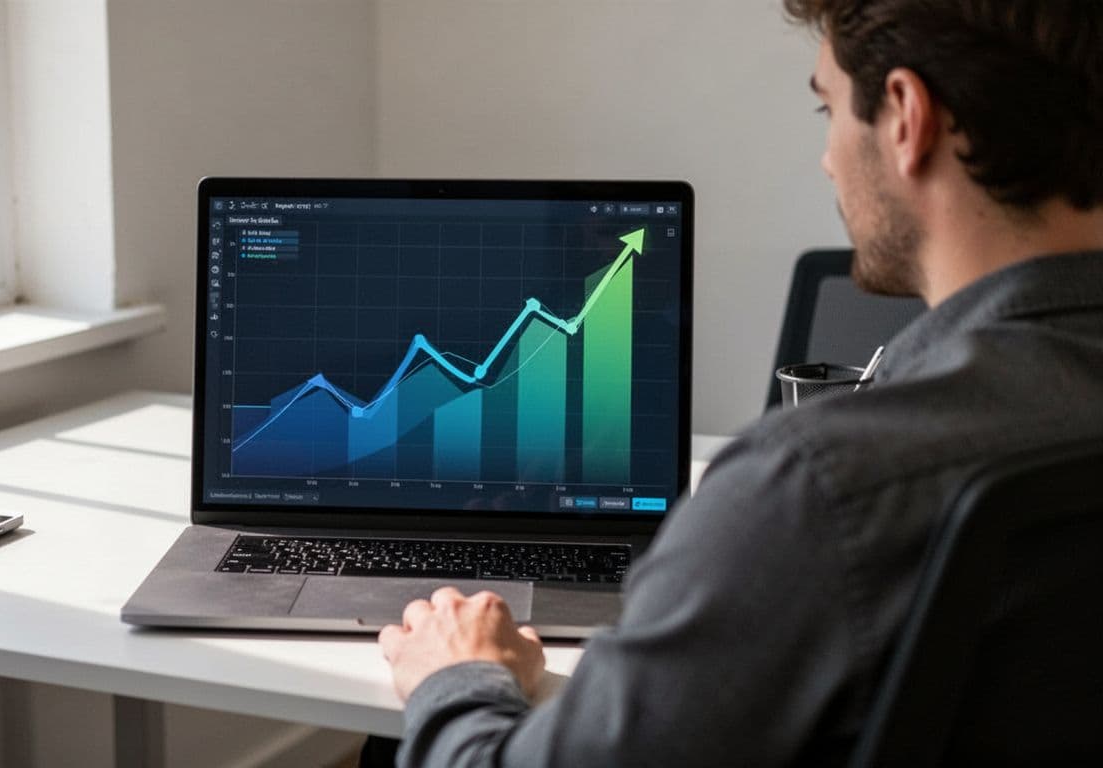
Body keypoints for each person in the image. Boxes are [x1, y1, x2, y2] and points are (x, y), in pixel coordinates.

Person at [375, 1, 1103, 765]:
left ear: (904, 116)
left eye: (827, 107)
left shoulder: (810, 486)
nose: (827, 157)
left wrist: (457, 675)